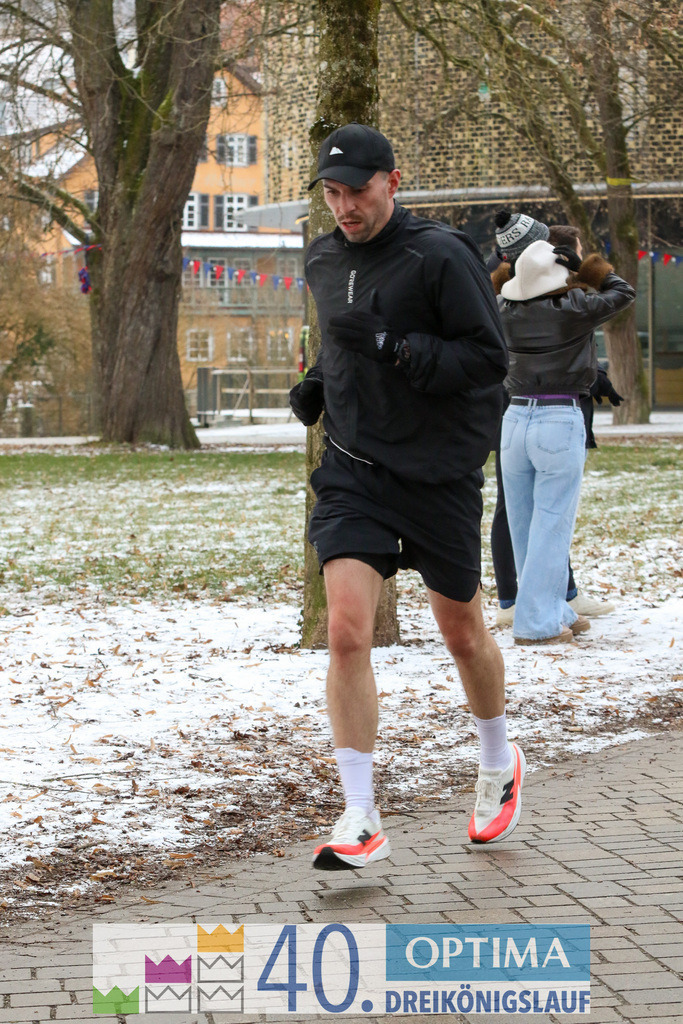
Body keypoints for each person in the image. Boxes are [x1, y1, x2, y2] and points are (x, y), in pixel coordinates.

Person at [289, 122, 525, 870]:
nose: (344, 207)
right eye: (332, 193)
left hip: (437, 472)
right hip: (354, 469)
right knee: (346, 633)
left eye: (357, 191)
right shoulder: (322, 256)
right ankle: (359, 815)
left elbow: (488, 359)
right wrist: (318, 383)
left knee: (461, 632)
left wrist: (394, 347)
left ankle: (498, 761)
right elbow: (342, 337)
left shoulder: (441, 256)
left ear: (392, 181)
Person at [496, 237, 635, 644]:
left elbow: (486, 291)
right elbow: (622, 292)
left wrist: (509, 273)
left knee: (524, 525)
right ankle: (537, 624)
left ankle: (553, 609)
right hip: (558, 416)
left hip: (514, 418)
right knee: (552, 525)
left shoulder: (502, 310)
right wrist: (587, 268)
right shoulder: (573, 308)